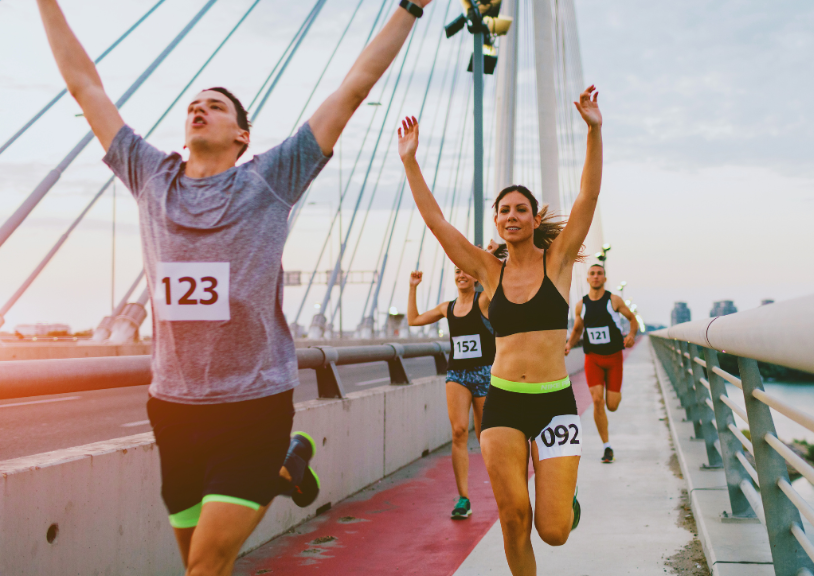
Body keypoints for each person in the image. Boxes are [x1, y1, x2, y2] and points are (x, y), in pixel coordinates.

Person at [34, 0, 431, 574]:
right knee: (199, 563)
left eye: (215, 106)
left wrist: (411, 8)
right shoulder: (151, 177)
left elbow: (353, 89)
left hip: (253, 405)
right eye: (193, 105)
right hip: (173, 409)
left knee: (204, 566)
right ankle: (287, 464)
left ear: (242, 135)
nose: (199, 109)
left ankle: (277, 454)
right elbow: (84, 87)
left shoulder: (270, 179)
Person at [398, 85, 603, 576]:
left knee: (552, 530)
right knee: (514, 518)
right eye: (504, 210)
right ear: (496, 220)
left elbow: (588, 196)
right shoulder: (490, 270)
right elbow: (437, 223)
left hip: (555, 402)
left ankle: (566, 497)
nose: (512, 216)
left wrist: (594, 130)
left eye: (520, 210)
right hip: (504, 400)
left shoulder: (558, 264)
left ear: (533, 220)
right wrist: (410, 162)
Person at [406, 263, 495, 520]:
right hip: (457, 374)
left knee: (485, 436)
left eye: (467, 270)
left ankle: (503, 488)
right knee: (458, 432)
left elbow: (498, 281)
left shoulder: (484, 301)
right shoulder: (448, 308)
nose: (462, 275)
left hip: (484, 373)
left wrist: (487, 257)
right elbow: (413, 320)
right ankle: (464, 498)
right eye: (457, 271)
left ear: (476, 277)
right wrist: (413, 288)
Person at [565, 264, 638, 463]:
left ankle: (612, 400)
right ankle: (607, 447)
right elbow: (578, 330)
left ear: (604, 279)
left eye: (599, 274)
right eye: (592, 274)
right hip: (593, 358)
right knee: (597, 400)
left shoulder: (614, 300)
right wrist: (569, 345)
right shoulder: (581, 305)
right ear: (587, 279)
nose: (596, 277)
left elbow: (633, 319)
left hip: (614, 358)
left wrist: (631, 335)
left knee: (612, 405)